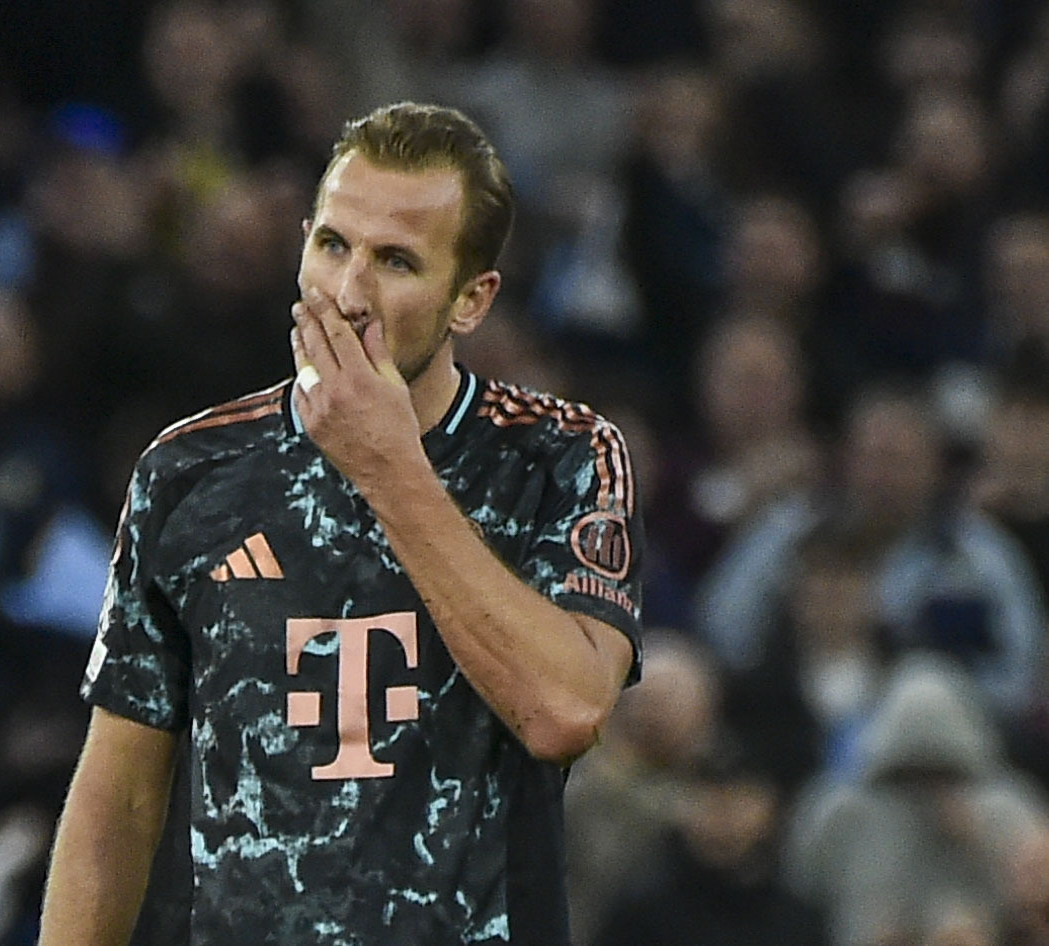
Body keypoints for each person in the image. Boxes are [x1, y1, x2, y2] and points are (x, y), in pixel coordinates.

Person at [38, 101, 643, 945]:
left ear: (471, 299)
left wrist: (387, 464)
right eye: (331, 246)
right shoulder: (188, 474)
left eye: (396, 261)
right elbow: (121, 793)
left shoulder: (562, 459)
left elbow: (563, 711)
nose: (348, 293)